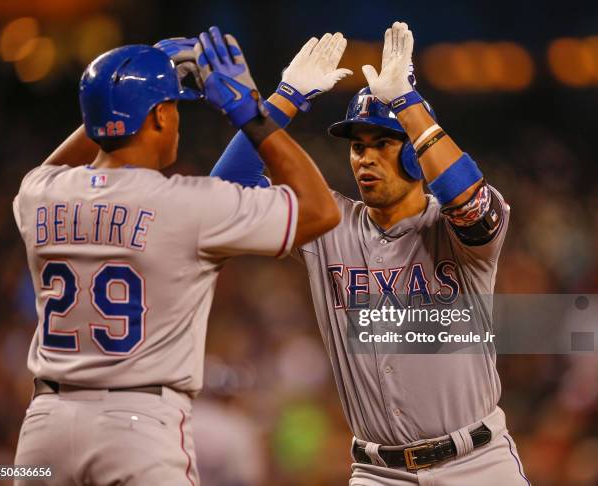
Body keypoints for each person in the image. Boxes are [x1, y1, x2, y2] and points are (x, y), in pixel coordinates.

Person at [170, 22, 530, 485]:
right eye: (358, 147)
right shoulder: (328, 222)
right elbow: (224, 192)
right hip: (378, 472)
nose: (364, 157)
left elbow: (471, 205)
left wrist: (408, 103)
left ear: (416, 154)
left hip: (476, 464)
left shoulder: (453, 227)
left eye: (382, 143)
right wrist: (283, 100)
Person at [12, 27, 340, 486]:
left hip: (41, 430)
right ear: (162, 117)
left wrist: (118, 95)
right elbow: (321, 210)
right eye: (171, 108)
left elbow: (61, 163)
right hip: (137, 428)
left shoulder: (38, 194)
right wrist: (253, 111)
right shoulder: (185, 203)